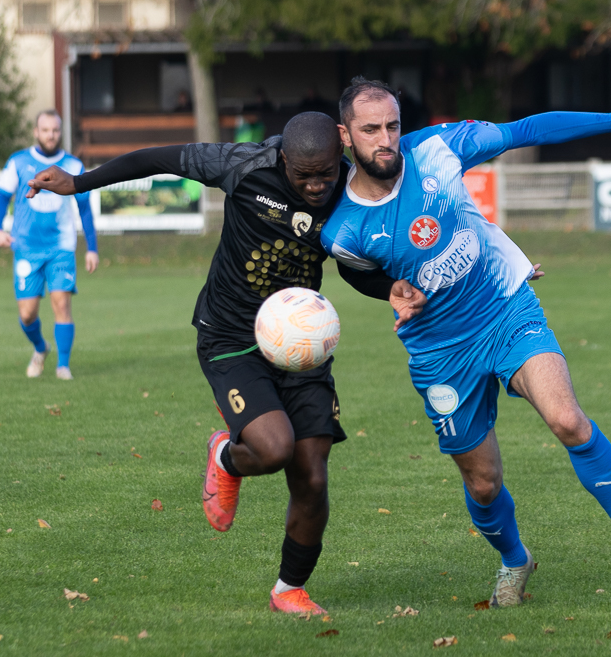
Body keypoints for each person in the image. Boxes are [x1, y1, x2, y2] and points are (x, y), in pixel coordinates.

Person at [320, 77, 611, 608]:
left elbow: (527, 130)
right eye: (370, 130)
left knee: (567, 419)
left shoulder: (438, 148)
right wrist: (391, 291)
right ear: (345, 135)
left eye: (392, 125)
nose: (386, 139)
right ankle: (515, 559)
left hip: (504, 308)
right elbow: (358, 272)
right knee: (483, 483)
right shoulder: (342, 229)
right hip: (440, 353)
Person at [26, 112, 422, 615]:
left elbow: (351, 261)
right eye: (304, 176)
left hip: (301, 342)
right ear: (283, 159)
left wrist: (389, 287)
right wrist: (80, 182)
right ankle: (225, 458)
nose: (316, 186)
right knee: (273, 448)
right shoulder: (243, 164)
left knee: (312, 475)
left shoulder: (350, 184)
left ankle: (289, 590)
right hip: (231, 335)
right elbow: (158, 159)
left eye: (325, 173)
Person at [0, 109, 98, 380]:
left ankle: (63, 366)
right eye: (46, 130)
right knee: (27, 315)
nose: (51, 135)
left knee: (61, 304)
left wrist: (92, 248)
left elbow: (85, 208)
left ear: (60, 132)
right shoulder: (18, 162)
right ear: (36, 132)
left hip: (61, 246)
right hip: (26, 247)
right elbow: (2, 197)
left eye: (55, 130)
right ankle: (41, 348)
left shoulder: (73, 165)